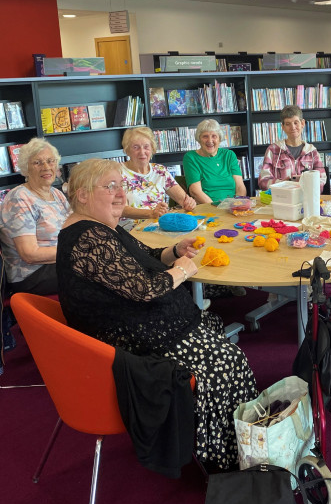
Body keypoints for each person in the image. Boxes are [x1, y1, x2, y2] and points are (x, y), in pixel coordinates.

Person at [56, 158, 257, 470]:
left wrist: (174, 251)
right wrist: (179, 272)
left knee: (225, 349)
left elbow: (144, 257)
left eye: (121, 185)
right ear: (82, 195)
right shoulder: (88, 238)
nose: (121, 193)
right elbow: (142, 289)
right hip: (131, 347)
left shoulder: (102, 228)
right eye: (110, 187)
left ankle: (238, 443)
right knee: (227, 361)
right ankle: (223, 456)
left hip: (144, 328)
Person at [0, 138, 69, 295]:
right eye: (37, 163)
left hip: (59, 263)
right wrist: (74, 251)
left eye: (50, 161)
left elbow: (72, 229)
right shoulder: (19, 198)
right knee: (94, 271)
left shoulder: (57, 194)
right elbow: (29, 254)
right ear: (26, 168)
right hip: (31, 275)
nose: (46, 167)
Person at [120, 127, 196, 231]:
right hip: (131, 230)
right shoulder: (117, 172)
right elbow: (121, 209)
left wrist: (189, 203)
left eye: (146, 147)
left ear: (152, 149)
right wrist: (151, 213)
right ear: (127, 150)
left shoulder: (159, 171)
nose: (142, 152)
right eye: (136, 147)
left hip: (160, 226)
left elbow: (183, 200)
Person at [258, 105, 326, 192]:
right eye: (288, 124)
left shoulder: (312, 152)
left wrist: (303, 183)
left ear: (302, 123)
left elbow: (322, 179)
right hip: (282, 200)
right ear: (282, 127)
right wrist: (283, 184)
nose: (293, 127)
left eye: (296, 122)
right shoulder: (273, 150)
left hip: (306, 199)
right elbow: (263, 181)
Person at [183, 119, 246, 204]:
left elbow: (240, 186)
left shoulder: (229, 155)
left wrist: (238, 205)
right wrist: (217, 208)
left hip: (233, 207)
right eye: (205, 136)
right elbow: (195, 192)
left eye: (214, 136)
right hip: (209, 209)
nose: (210, 140)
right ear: (199, 139)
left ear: (219, 139)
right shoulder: (191, 158)